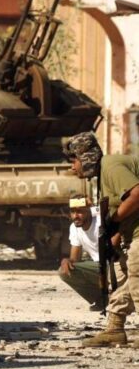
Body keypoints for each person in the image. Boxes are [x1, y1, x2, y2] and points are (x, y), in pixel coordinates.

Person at [64, 132, 139, 348]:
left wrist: (114, 221)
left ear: (86, 157)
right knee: (124, 278)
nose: (72, 167)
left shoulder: (111, 167)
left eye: (74, 161)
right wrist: (114, 236)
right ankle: (114, 328)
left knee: (136, 275)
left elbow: (136, 195)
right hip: (131, 234)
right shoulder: (102, 175)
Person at [58, 195, 126, 311]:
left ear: (89, 211)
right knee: (64, 271)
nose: (75, 216)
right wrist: (66, 261)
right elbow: (74, 259)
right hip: (99, 266)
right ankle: (102, 300)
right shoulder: (74, 228)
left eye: (80, 211)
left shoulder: (101, 221)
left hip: (115, 264)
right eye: (73, 212)